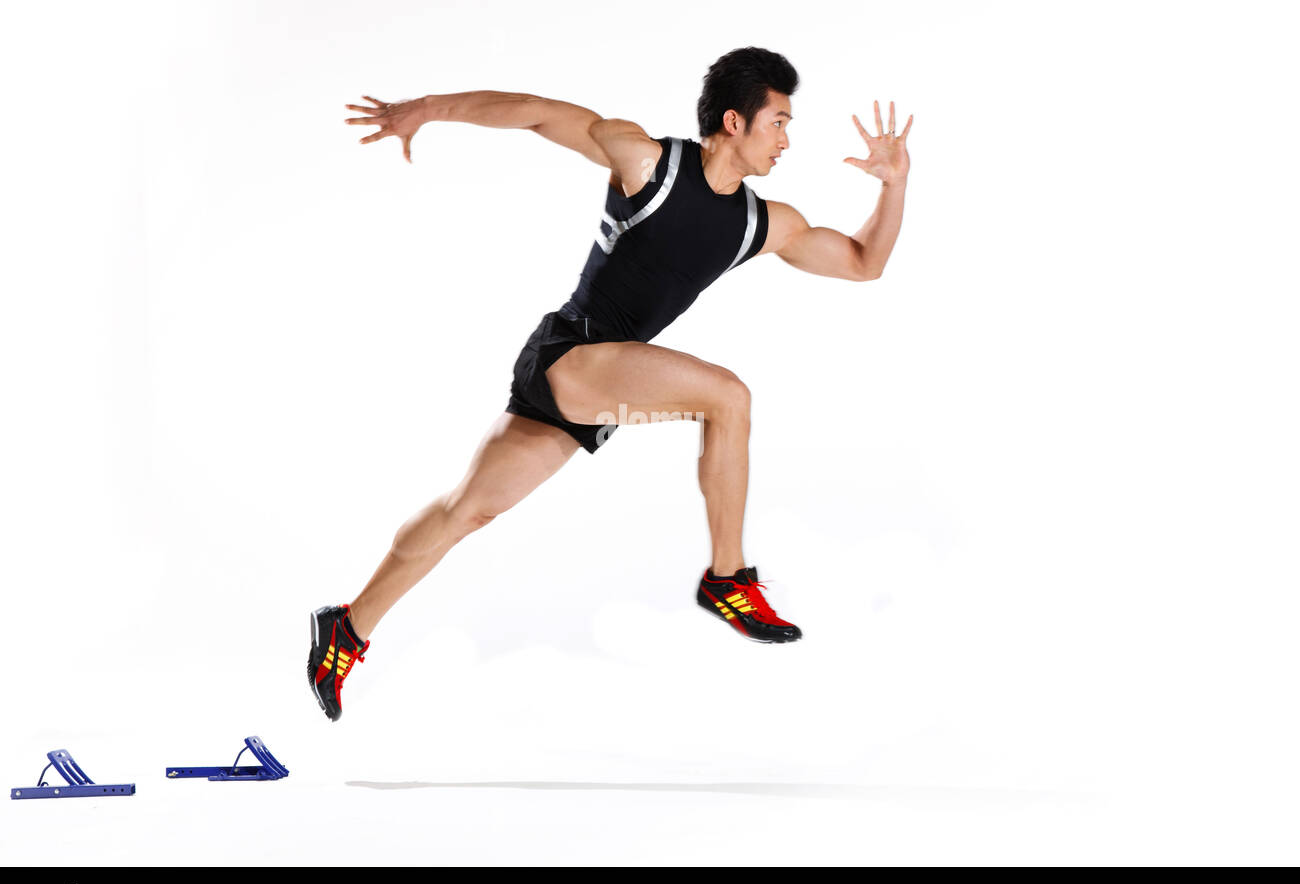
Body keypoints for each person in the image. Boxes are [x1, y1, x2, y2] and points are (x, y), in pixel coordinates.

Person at [308, 47, 913, 721]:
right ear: (734, 122)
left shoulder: (761, 222)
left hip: (600, 387)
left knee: (466, 511)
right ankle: (728, 578)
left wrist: (894, 185)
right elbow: (535, 113)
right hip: (572, 355)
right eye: (778, 123)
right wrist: (424, 110)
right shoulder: (647, 162)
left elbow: (864, 263)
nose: (786, 140)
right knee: (728, 397)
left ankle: (347, 628)